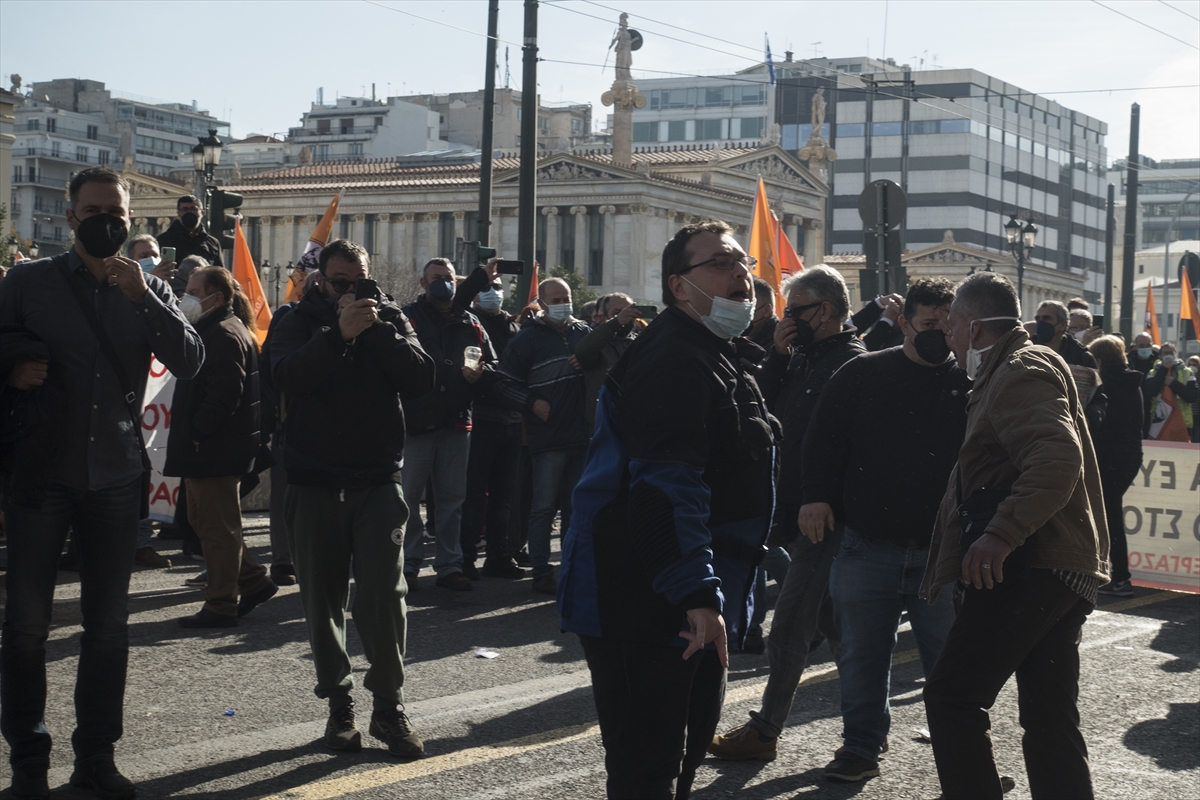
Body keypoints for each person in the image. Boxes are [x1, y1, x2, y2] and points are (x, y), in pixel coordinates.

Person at [0, 166, 203, 799]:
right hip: (40, 470)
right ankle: (29, 762)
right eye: (93, 211)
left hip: (115, 474)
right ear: (69, 219)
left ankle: (96, 757)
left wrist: (144, 298)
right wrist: (12, 368)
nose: (106, 221)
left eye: (115, 211)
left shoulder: (144, 288)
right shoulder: (28, 281)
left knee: (107, 625)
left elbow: (190, 359)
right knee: (28, 624)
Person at [559, 220, 777, 799]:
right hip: (644, 594)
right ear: (679, 287)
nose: (740, 274)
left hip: (680, 588)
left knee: (676, 758)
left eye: (744, 264)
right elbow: (665, 488)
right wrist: (698, 596)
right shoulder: (674, 360)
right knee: (647, 767)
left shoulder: (716, 352)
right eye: (721, 264)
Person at [923, 271, 1108, 800]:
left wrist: (999, 535)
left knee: (952, 699)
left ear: (976, 327)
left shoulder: (1019, 371)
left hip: (1031, 564)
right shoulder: (1011, 370)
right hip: (1053, 565)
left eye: (953, 325)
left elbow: (1056, 458)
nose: (950, 337)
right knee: (1049, 720)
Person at [795, 278, 968, 782]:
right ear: (906, 324)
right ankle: (860, 748)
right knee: (862, 657)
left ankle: (964, 763)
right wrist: (815, 495)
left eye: (948, 324)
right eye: (929, 324)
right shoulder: (862, 372)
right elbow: (821, 439)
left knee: (952, 666)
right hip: (867, 545)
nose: (941, 333)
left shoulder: (973, 382)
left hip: (943, 554)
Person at [270, 239, 435, 759]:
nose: (349, 289)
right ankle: (338, 706)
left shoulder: (389, 320)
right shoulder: (295, 320)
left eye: (358, 279)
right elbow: (284, 378)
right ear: (321, 278)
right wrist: (337, 335)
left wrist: (376, 328)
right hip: (315, 481)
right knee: (322, 600)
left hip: (378, 481)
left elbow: (422, 377)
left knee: (385, 597)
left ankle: (388, 706)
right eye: (340, 281)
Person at [709, 265, 865, 763]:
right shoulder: (799, 357)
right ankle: (867, 728)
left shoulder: (852, 363)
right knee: (837, 630)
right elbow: (762, 406)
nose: (786, 321)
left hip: (824, 519)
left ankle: (766, 729)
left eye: (794, 312)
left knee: (790, 626)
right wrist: (777, 355)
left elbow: (846, 448)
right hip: (791, 512)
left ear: (823, 310)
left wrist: (825, 500)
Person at [166, 266, 276, 628]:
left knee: (216, 527)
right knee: (206, 520)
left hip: (214, 449)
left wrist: (197, 431)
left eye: (195, 290)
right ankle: (254, 581)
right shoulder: (216, 329)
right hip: (212, 447)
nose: (187, 297)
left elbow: (225, 394)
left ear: (216, 297)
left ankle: (221, 602)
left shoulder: (223, 334)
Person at [400, 258, 498, 591]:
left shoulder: (470, 322)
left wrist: (480, 373)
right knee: (408, 497)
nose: (444, 283)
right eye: (437, 278)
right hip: (416, 423)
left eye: (449, 278)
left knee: (452, 499)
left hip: (457, 421)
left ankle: (449, 565)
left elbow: (494, 366)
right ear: (423, 283)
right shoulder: (407, 318)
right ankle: (408, 564)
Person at [496, 277, 591, 595]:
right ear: (543, 302)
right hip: (547, 437)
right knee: (543, 507)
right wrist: (531, 403)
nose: (564, 302)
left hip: (581, 435)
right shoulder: (527, 339)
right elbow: (504, 382)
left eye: (567, 296)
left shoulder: (582, 333)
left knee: (575, 508)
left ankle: (571, 568)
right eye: (557, 298)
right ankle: (540, 570)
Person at [458, 270, 527, 579]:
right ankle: (466, 556)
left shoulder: (515, 327)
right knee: (473, 495)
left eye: (497, 287)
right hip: (482, 417)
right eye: (486, 287)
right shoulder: (469, 322)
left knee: (504, 495)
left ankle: (498, 555)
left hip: (511, 419)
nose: (493, 292)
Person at [1088, 335, 1144, 598]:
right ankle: (1116, 575)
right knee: (1109, 514)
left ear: (1099, 360)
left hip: (1107, 456)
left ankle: (1120, 577)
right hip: (1130, 455)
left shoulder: (1104, 383)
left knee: (1107, 516)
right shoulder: (1133, 382)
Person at [574, 292, 641, 432]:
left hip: (632, 424)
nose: (625, 316)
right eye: (618, 313)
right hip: (602, 425)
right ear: (603, 317)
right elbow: (583, 352)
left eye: (629, 312)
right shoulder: (596, 343)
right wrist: (616, 323)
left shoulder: (637, 344)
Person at [1142, 342, 1196, 441]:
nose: (1169, 356)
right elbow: (1150, 392)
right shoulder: (1152, 373)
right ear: (1160, 356)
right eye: (1166, 353)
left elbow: (1192, 397)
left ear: (1176, 355)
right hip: (1159, 424)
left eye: (1171, 353)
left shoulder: (1187, 372)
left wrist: (1173, 383)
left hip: (1182, 423)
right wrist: (1163, 369)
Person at [156, 194, 223, 267]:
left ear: (202, 213)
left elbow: (219, 272)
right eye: (184, 209)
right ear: (178, 213)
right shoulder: (163, 240)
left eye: (193, 209)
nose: (189, 212)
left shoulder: (212, 243)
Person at [745, 277, 778, 351]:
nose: (740, 315)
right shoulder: (748, 342)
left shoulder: (781, 345)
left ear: (766, 310)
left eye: (747, 309)